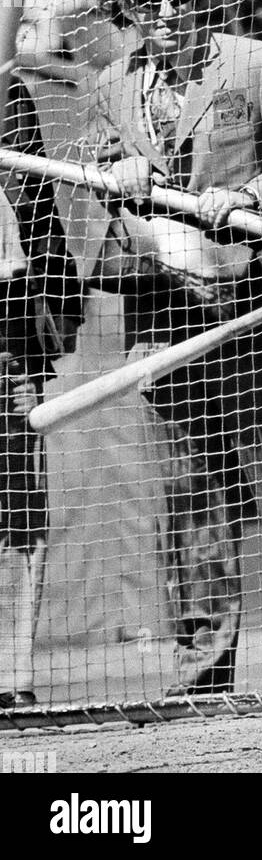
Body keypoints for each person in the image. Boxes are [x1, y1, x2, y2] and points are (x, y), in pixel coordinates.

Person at [84, 0, 262, 694]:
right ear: (128, 11)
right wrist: (115, 177)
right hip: (164, 314)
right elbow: (98, 180)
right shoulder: (108, 88)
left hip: (251, 305)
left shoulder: (252, 64)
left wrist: (250, 197)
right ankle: (203, 666)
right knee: (191, 491)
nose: (170, 9)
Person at [0, 75, 82, 707]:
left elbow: (38, 211)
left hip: (8, 345)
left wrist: (50, 319)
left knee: (23, 517)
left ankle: (16, 678)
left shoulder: (10, 95)